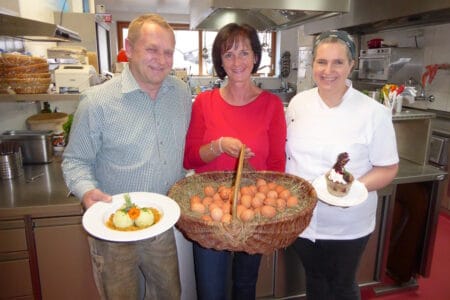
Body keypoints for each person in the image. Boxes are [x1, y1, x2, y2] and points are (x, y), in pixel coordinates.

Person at [62, 14, 192, 300]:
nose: (161, 59)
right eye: (152, 49)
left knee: (169, 294)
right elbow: (75, 161)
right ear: (129, 49)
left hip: (161, 223)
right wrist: (85, 191)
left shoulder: (181, 93)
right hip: (112, 227)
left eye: (168, 52)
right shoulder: (97, 102)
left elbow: (182, 151)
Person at [285, 30, 399, 300]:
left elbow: (388, 168)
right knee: (314, 281)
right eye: (321, 62)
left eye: (338, 62)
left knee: (340, 285)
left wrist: (353, 189)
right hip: (302, 219)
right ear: (312, 64)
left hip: (347, 225)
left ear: (351, 65)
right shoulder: (299, 104)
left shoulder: (373, 113)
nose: (328, 70)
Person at [183, 23, 286, 299]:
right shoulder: (204, 102)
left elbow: (277, 168)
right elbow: (190, 156)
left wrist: (248, 166)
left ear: (255, 57)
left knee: (244, 287)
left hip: (252, 215)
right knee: (211, 291)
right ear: (220, 61)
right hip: (209, 213)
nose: (237, 61)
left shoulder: (272, 106)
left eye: (244, 53)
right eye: (228, 54)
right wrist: (219, 147)